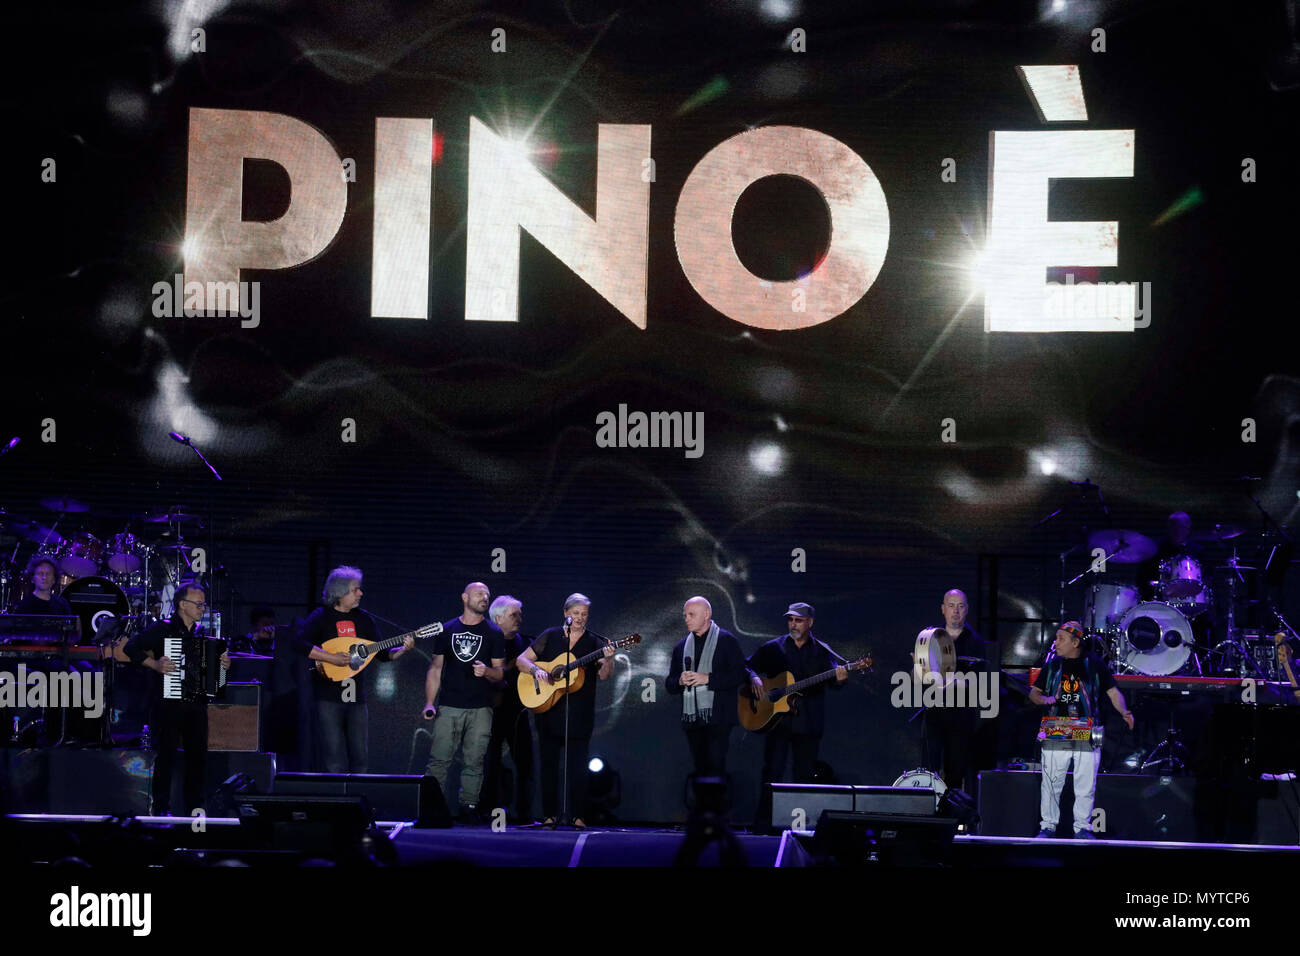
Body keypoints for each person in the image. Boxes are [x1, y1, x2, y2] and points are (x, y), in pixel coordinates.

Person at [124, 580, 230, 815]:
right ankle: (160, 807)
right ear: (182, 604)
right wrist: (154, 664)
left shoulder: (204, 634)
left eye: (203, 605)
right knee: (166, 755)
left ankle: (195, 808)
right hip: (167, 702)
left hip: (196, 703)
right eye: (199, 604)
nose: (202, 609)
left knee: (197, 758)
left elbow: (216, 679)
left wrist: (223, 666)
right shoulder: (162, 629)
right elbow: (130, 648)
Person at [298, 566, 414, 773]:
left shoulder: (363, 619)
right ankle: (335, 803)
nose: (360, 593)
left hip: (356, 700)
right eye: (355, 589)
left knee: (360, 758)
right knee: (333, 758)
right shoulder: (321, 617)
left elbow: (382, 654)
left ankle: (359, 800)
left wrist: (403, 649)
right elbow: (299, 644)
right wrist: (331, 657)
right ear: (340, 592)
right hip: (327, 698)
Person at [515, 593, 614, 828]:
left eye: (584, 615)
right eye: (575, 613)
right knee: (548, 764)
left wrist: (609, 660)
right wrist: (535, 671)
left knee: (578, 767)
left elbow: (604, 675)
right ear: (565, 613)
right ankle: (549, 814)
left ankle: (578, 815)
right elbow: (521, 660)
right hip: (549, 711)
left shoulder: (594, 642)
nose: (580, 618)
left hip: (580, 713)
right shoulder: (550, 636)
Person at [748, 602, 848, 831]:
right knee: (772, 773)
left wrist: (841, 678)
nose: (793, 624)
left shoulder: (821, 650)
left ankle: (799, 827)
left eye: (799, 620)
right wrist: (754, 678)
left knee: (803, 776)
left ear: (810, 623)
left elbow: (835, 682)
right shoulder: (774, 647)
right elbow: (747, 667)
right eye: (791, 620)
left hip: (808, 723)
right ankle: (763, 825)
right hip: (778, 722)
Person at [1029, 621, 1135, 838]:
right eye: (1056, 638)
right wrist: (1044, 699)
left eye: (1061, 639)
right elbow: (1033, 693)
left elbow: (1113, 693)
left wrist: (1125, 712)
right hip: (1056, 726)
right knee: (1051, 782)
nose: (1055, 643)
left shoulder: (1095, 665)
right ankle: (1048, 826)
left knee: (1086, 782)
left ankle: (1082, 828)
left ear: (1075, 642)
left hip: (1087, 728)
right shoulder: (1052, 666)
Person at [422, 582, 507, 823]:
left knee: (474, 761)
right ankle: (432, 809)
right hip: (449, 705)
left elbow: (500, 673)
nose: (485, 597)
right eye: (480, 593)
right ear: (464, 597)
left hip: (480, 707)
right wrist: (430, 702)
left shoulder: (493, 632)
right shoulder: (447, 629)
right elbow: (435, 668)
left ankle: (468, 808)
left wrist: (487, 672)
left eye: (487, 595)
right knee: (439, 759)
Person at [918, 589, 996, 793]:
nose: (956, 611)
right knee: (929, 770)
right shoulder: (930, 638)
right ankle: (930, 816)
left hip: (961, 716)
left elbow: (978, 681)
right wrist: (918, 668)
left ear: (967, 610)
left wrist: (950, 680)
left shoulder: (975, 642)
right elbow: (919, 678)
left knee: (955, 772)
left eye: (960, 606)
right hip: (933, 713)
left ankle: (952, 818)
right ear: (943, 609)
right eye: (951, 606)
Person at [665, 596, 748, 785]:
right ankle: (703, 810)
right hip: (693, 721)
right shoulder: (681, 647)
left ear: (707, 615)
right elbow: (670, 684)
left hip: (719, 718)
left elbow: (739, 675)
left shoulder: (726, 640)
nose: (686, 618)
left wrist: (707, 679)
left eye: (691, 614)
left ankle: (717, 811)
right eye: (685, 615)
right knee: (700, 770)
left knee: (715, 769)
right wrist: (679, 680)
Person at [481, 595, 535, 822]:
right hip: (489, 713)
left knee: (526, 764)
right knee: (488, 764)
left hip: (517, 712)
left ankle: (525, 814)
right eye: (514, 615)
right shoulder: (484, 643)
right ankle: (486, 811)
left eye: (520, 614)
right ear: (498, 618)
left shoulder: (527, 644)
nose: (519, 619)